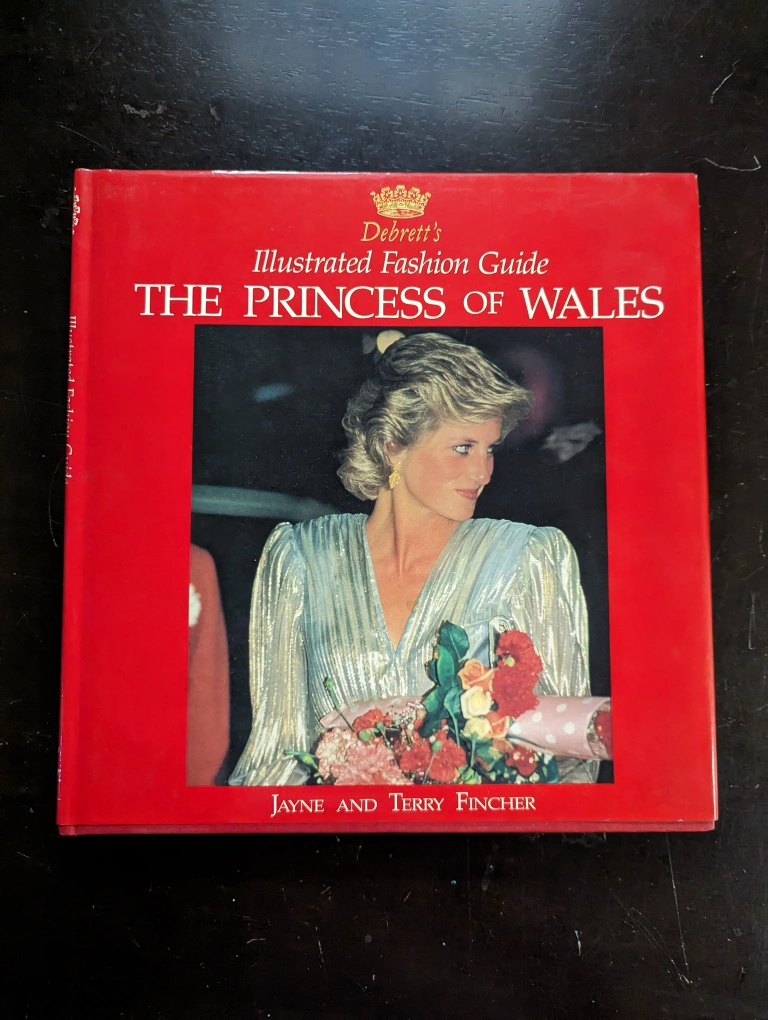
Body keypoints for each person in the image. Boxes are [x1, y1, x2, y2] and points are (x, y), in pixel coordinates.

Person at [229, 333, 597, 785]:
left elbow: (572, 762)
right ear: (392, 445)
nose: (482, 472)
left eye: (490, 449)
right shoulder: (300, 558)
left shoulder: (527, 557)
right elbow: (273, 763)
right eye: (463, 448)